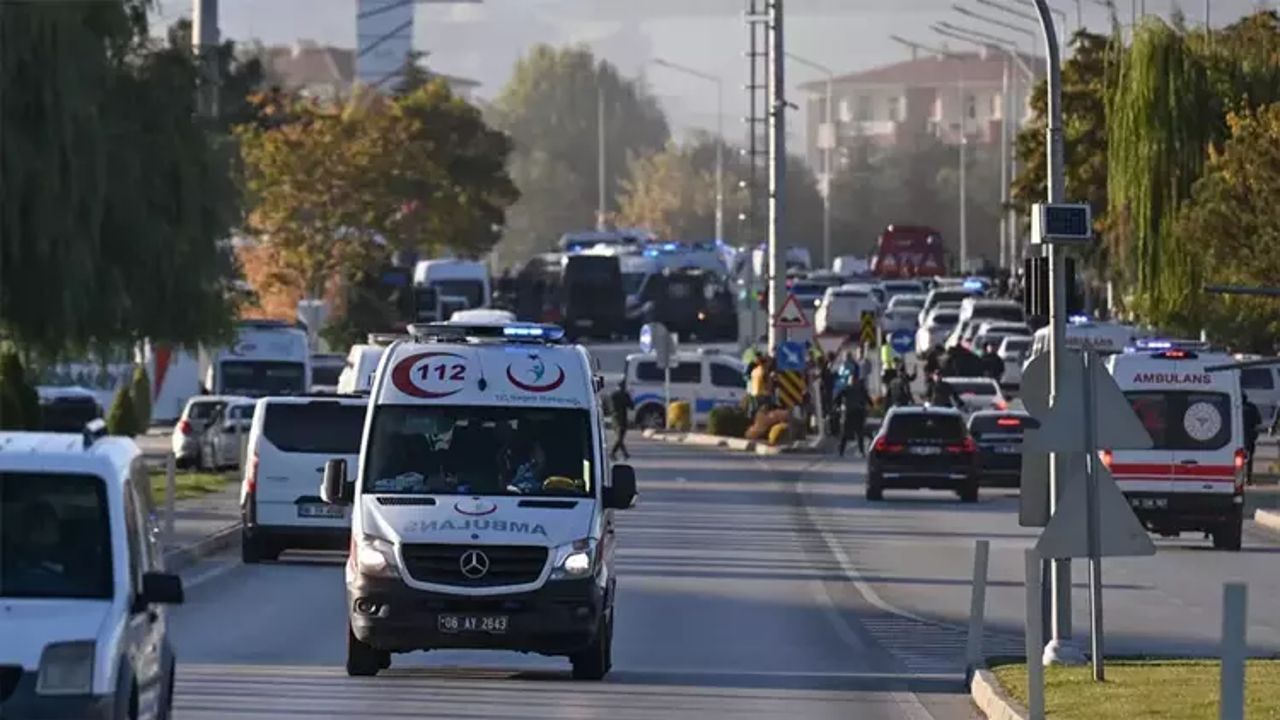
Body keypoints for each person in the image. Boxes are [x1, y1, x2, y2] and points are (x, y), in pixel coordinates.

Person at [837, 377, 871, 457]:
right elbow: (868, 400)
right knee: (859, 433)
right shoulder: (860, 389)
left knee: (847, 433)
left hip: (851, 413)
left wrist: (837, 405)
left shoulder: (848, 389)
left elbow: (838, 397)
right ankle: (861, 451)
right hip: (858, 413)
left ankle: (842, 451)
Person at [609, 381, 634, 461]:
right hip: (622, 418)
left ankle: (624, 454)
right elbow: (631, 406)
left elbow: (609, 407)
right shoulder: (625, 395)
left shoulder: (613, 395)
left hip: (615, 418)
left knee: (620, 437)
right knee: (620, 437)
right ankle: (613, 453)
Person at [1244, 395, 1261, 485]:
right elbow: (1258, 422)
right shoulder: (1252, 407)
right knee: (1249, 459)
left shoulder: (1236, 406)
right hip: (1250, 436)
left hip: (1237, 436)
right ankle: (1248, 478)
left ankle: (1237, 477)